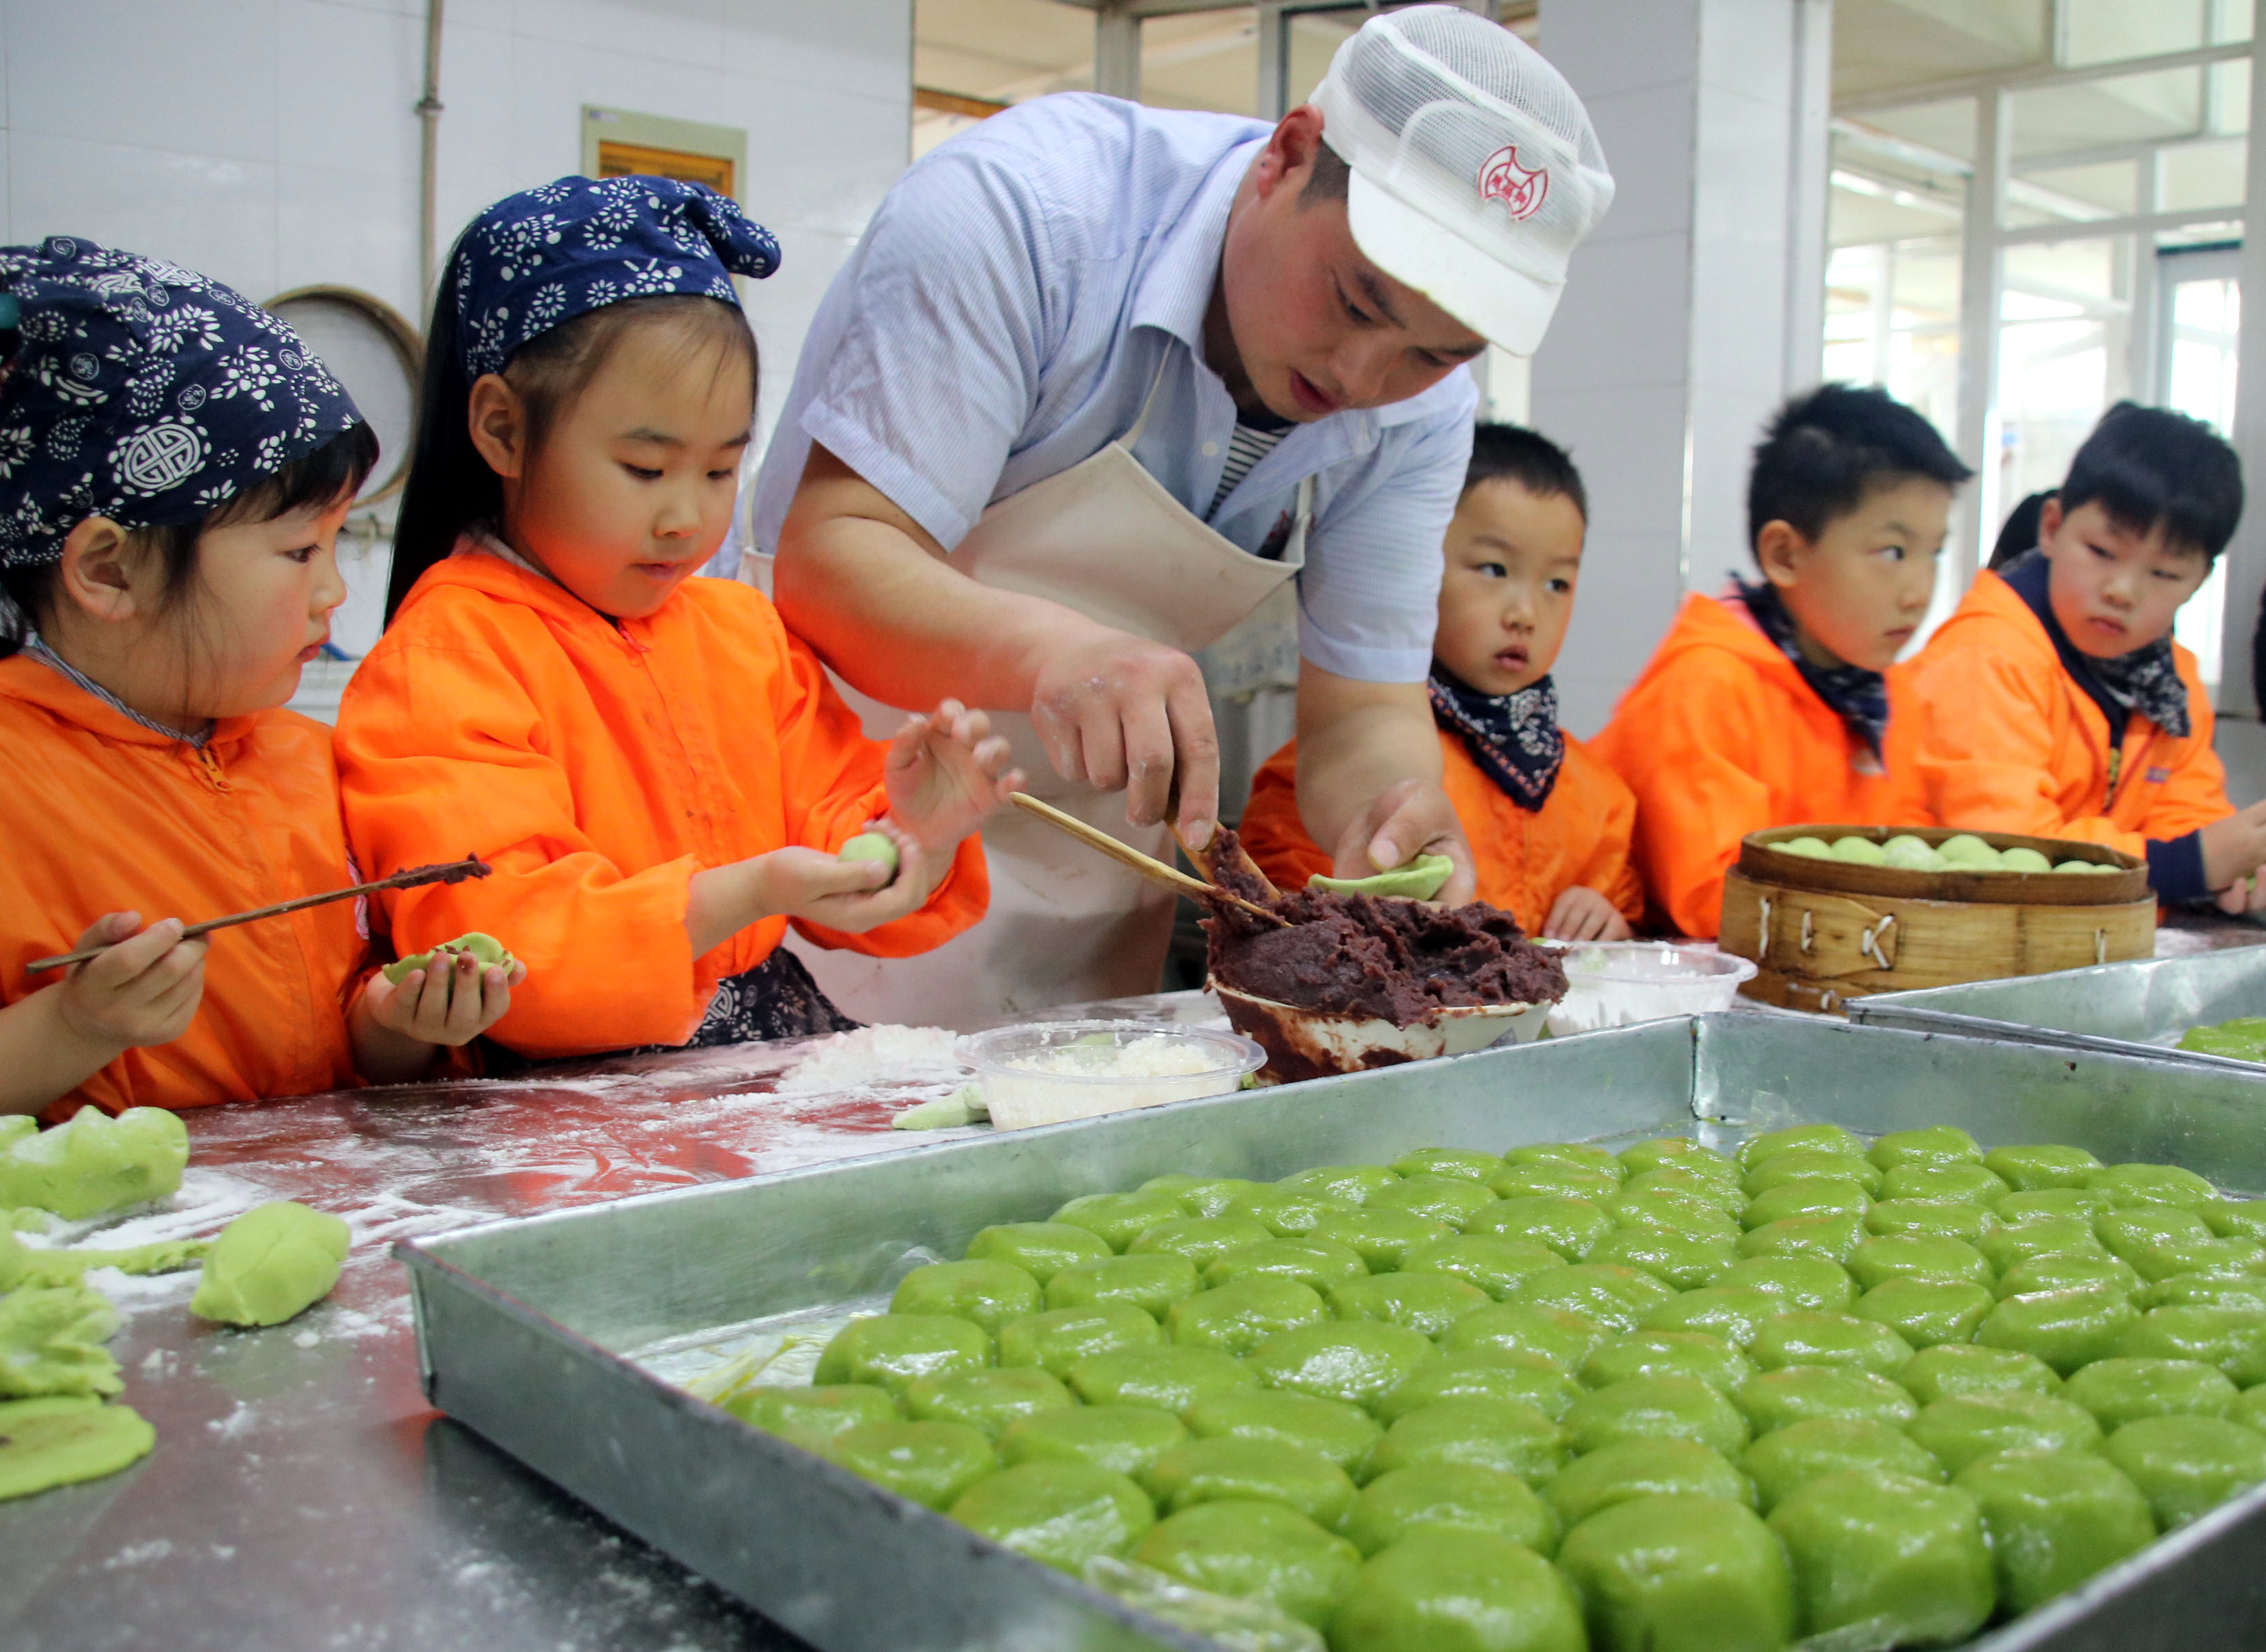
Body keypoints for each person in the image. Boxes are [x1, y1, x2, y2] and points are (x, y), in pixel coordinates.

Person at [731, 5, 1614, 1025]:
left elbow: (1365, 716)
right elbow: (831, 555)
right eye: (1358, 302)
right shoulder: (1023, 215)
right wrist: (1058, 656)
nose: (1366, 374)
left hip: (1086, 891)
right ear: (1287, 155)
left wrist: (1396, 818)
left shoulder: (1416, 416)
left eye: (1435, 352)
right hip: (826, 827)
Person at [332, 178, 1016, 1059]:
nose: (686, 518)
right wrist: (750, 890)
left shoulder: (741, 632)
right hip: (558, 1099)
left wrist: (909, 834)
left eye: (721, 471)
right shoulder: (446, 659)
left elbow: (833, 841)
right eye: (646, 470)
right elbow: (500, 945)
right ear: (502, 430)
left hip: (750, 1054)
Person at [0, 238, 516, 1148]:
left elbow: (326, 1042)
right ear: (109, 570)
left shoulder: (297, 760)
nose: (334, 592)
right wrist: (74, 1027)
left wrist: (395, 1024)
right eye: (301, 551)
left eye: (339, 545)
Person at [1594, 385, 1969, 939]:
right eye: (1892, 552)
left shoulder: (1884, 695)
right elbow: (1717, 897)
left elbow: (1911, 847)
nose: (1919, 591)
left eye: (1933, 553)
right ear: (1785, 555)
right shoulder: (1705, 684)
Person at [1240, 423, 1640, 939]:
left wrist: (1610, 919)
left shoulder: (1600, 793)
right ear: (1416, 570)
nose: (1525, 613)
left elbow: (1631, 927)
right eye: (1494, 569)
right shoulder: (1336, 773)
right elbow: (1275, 922)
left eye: (1557, 583)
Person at [1910, 402, 2266, 910]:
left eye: (2164, 574)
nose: (2123, 591)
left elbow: (2189, 814)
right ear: (2051, 527)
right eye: (2102, 552)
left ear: (2199, 582)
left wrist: (2231, 873)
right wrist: (2190, 866)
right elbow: (2007, 854)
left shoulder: (2171, 683)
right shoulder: (1987, 656)